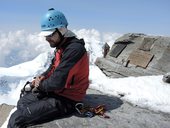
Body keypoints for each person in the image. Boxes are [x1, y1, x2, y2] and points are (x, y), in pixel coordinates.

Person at [8, 8, 89, 128]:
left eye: (50, 34)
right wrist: (41, 77)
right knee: (23, 102)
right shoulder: (62, 46)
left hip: (68, 99)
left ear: (61, 30)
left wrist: (39, 85)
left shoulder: (74, 50)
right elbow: (52, 68)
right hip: (57, 93)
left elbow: (57, 82)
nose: (46, 39)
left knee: (16, 118)